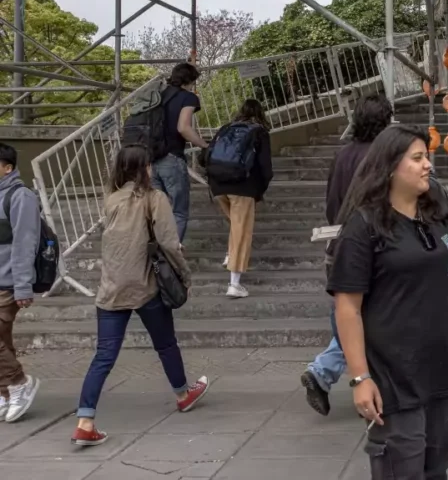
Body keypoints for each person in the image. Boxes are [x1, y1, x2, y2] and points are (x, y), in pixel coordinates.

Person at [329, 125, 448, 480]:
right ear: (391, 166)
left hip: (444, 370)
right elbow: (348, 308)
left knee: (437, 468)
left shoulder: (443, 214)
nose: (427, 165)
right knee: (401, 469)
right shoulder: (364, 227)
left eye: (427, 157)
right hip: (394, 375)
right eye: (418, 158)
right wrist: (360, 377)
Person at [71, 144, 209, 447]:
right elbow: (170, 244)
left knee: (104, 356)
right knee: (165, 344)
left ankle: (85, 421)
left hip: (110, 288)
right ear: (144, 167)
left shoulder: (111, 200)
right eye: (148, 165)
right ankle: (183, 395)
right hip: (146, 286)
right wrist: (185, 277)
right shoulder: (154, 198)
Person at [301, 94, 394, 415]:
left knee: (349, 314)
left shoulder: (342, 156)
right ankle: (338, 376)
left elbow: (331, 202)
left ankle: (330, 374)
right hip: (373, 247)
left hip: (338, 245)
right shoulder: (384, 158)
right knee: (375, 320)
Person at [208, 99, 273, 299]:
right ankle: (234, 284)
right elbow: (265, 168)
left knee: (236, 226)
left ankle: (230, 254)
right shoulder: (259, 132)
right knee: (242, 231)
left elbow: (207, 155)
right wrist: (259, 191)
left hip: (218, 186)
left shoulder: (226, 128)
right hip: (242, 187)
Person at [0, 142, 41, 423]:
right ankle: (5, 393)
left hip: (8, 282)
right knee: (3, 340)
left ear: (7, 167)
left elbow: (26, 243)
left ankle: (19, 383)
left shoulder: (20, 196)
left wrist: (23, 286)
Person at [153, 62, 210, 242]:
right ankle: (171, 259)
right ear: (190, 80)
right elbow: (183, 128)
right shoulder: (188, 97)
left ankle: (155, 258)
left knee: (157, 212)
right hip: (171, 158)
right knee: (178, 212)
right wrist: (205, 145)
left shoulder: (158, 96)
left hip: (150, 159)